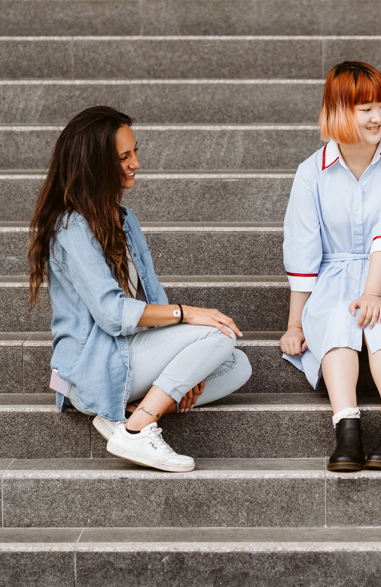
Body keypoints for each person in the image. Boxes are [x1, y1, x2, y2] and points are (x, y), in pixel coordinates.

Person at [28, 106, 252, 473]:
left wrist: (186, 366)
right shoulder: (70, 227)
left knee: (236, 366)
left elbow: (152, 301)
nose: (136, 163)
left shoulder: (125, 220)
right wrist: (187, 314)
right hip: (94, 364)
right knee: (218, 334)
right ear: (95, 164)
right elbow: (111, 313)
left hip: (132, 355)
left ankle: (134, 409)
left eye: (135, 152)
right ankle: (137, 428)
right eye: (124, 156)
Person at [279, 60, 381, 472]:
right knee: (336, 317)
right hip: (331, 275)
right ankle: (346, 430)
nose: (378, 117)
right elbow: (302, 248)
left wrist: (372, 291)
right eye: (365, 108)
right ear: (338, 110)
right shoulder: (310, 172)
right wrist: (295, 323)